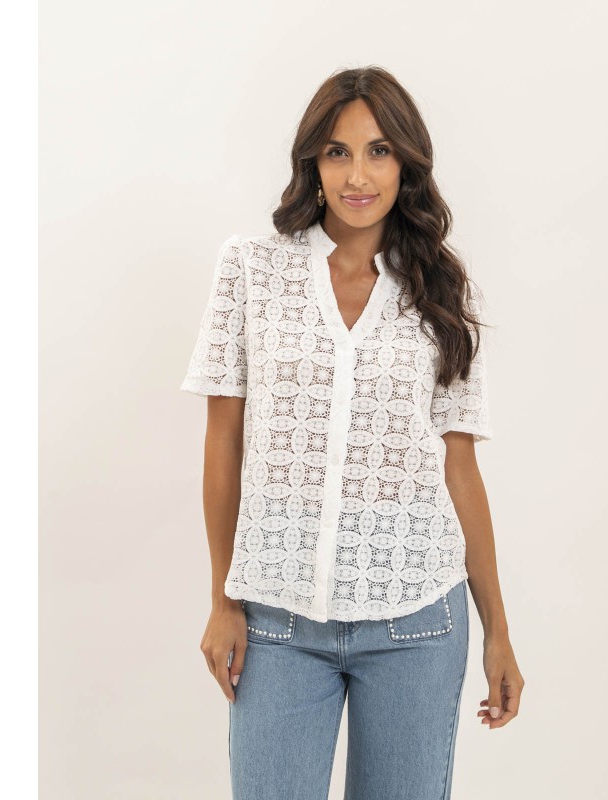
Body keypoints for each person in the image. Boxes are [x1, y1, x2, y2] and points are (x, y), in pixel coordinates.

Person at [180, 65, 525, 800]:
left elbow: (459, 467)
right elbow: (224, 444)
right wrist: (223, 597)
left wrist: (497, 628)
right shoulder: (252, 271)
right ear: (313, 162)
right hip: (276, 621)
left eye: (379, 151)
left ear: (407, 163)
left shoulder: (440, 291)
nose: (358, 175)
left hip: (417, 621)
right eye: (337, 152)